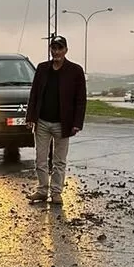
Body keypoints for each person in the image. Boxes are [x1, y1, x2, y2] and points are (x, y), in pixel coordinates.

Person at [25, 35, 87, 205]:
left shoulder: (75, 71)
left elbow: (81, 100)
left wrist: (77, 123)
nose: (56, 52)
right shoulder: (42, 68)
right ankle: (42, 190)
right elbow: (34, 94)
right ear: (50, 50)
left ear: (66, 50)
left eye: (60, 48)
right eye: (54, 48)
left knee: (59, 160)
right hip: (43, 122)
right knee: (40, 158)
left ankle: (57, 192)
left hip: (63, 123)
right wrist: (31, 117)